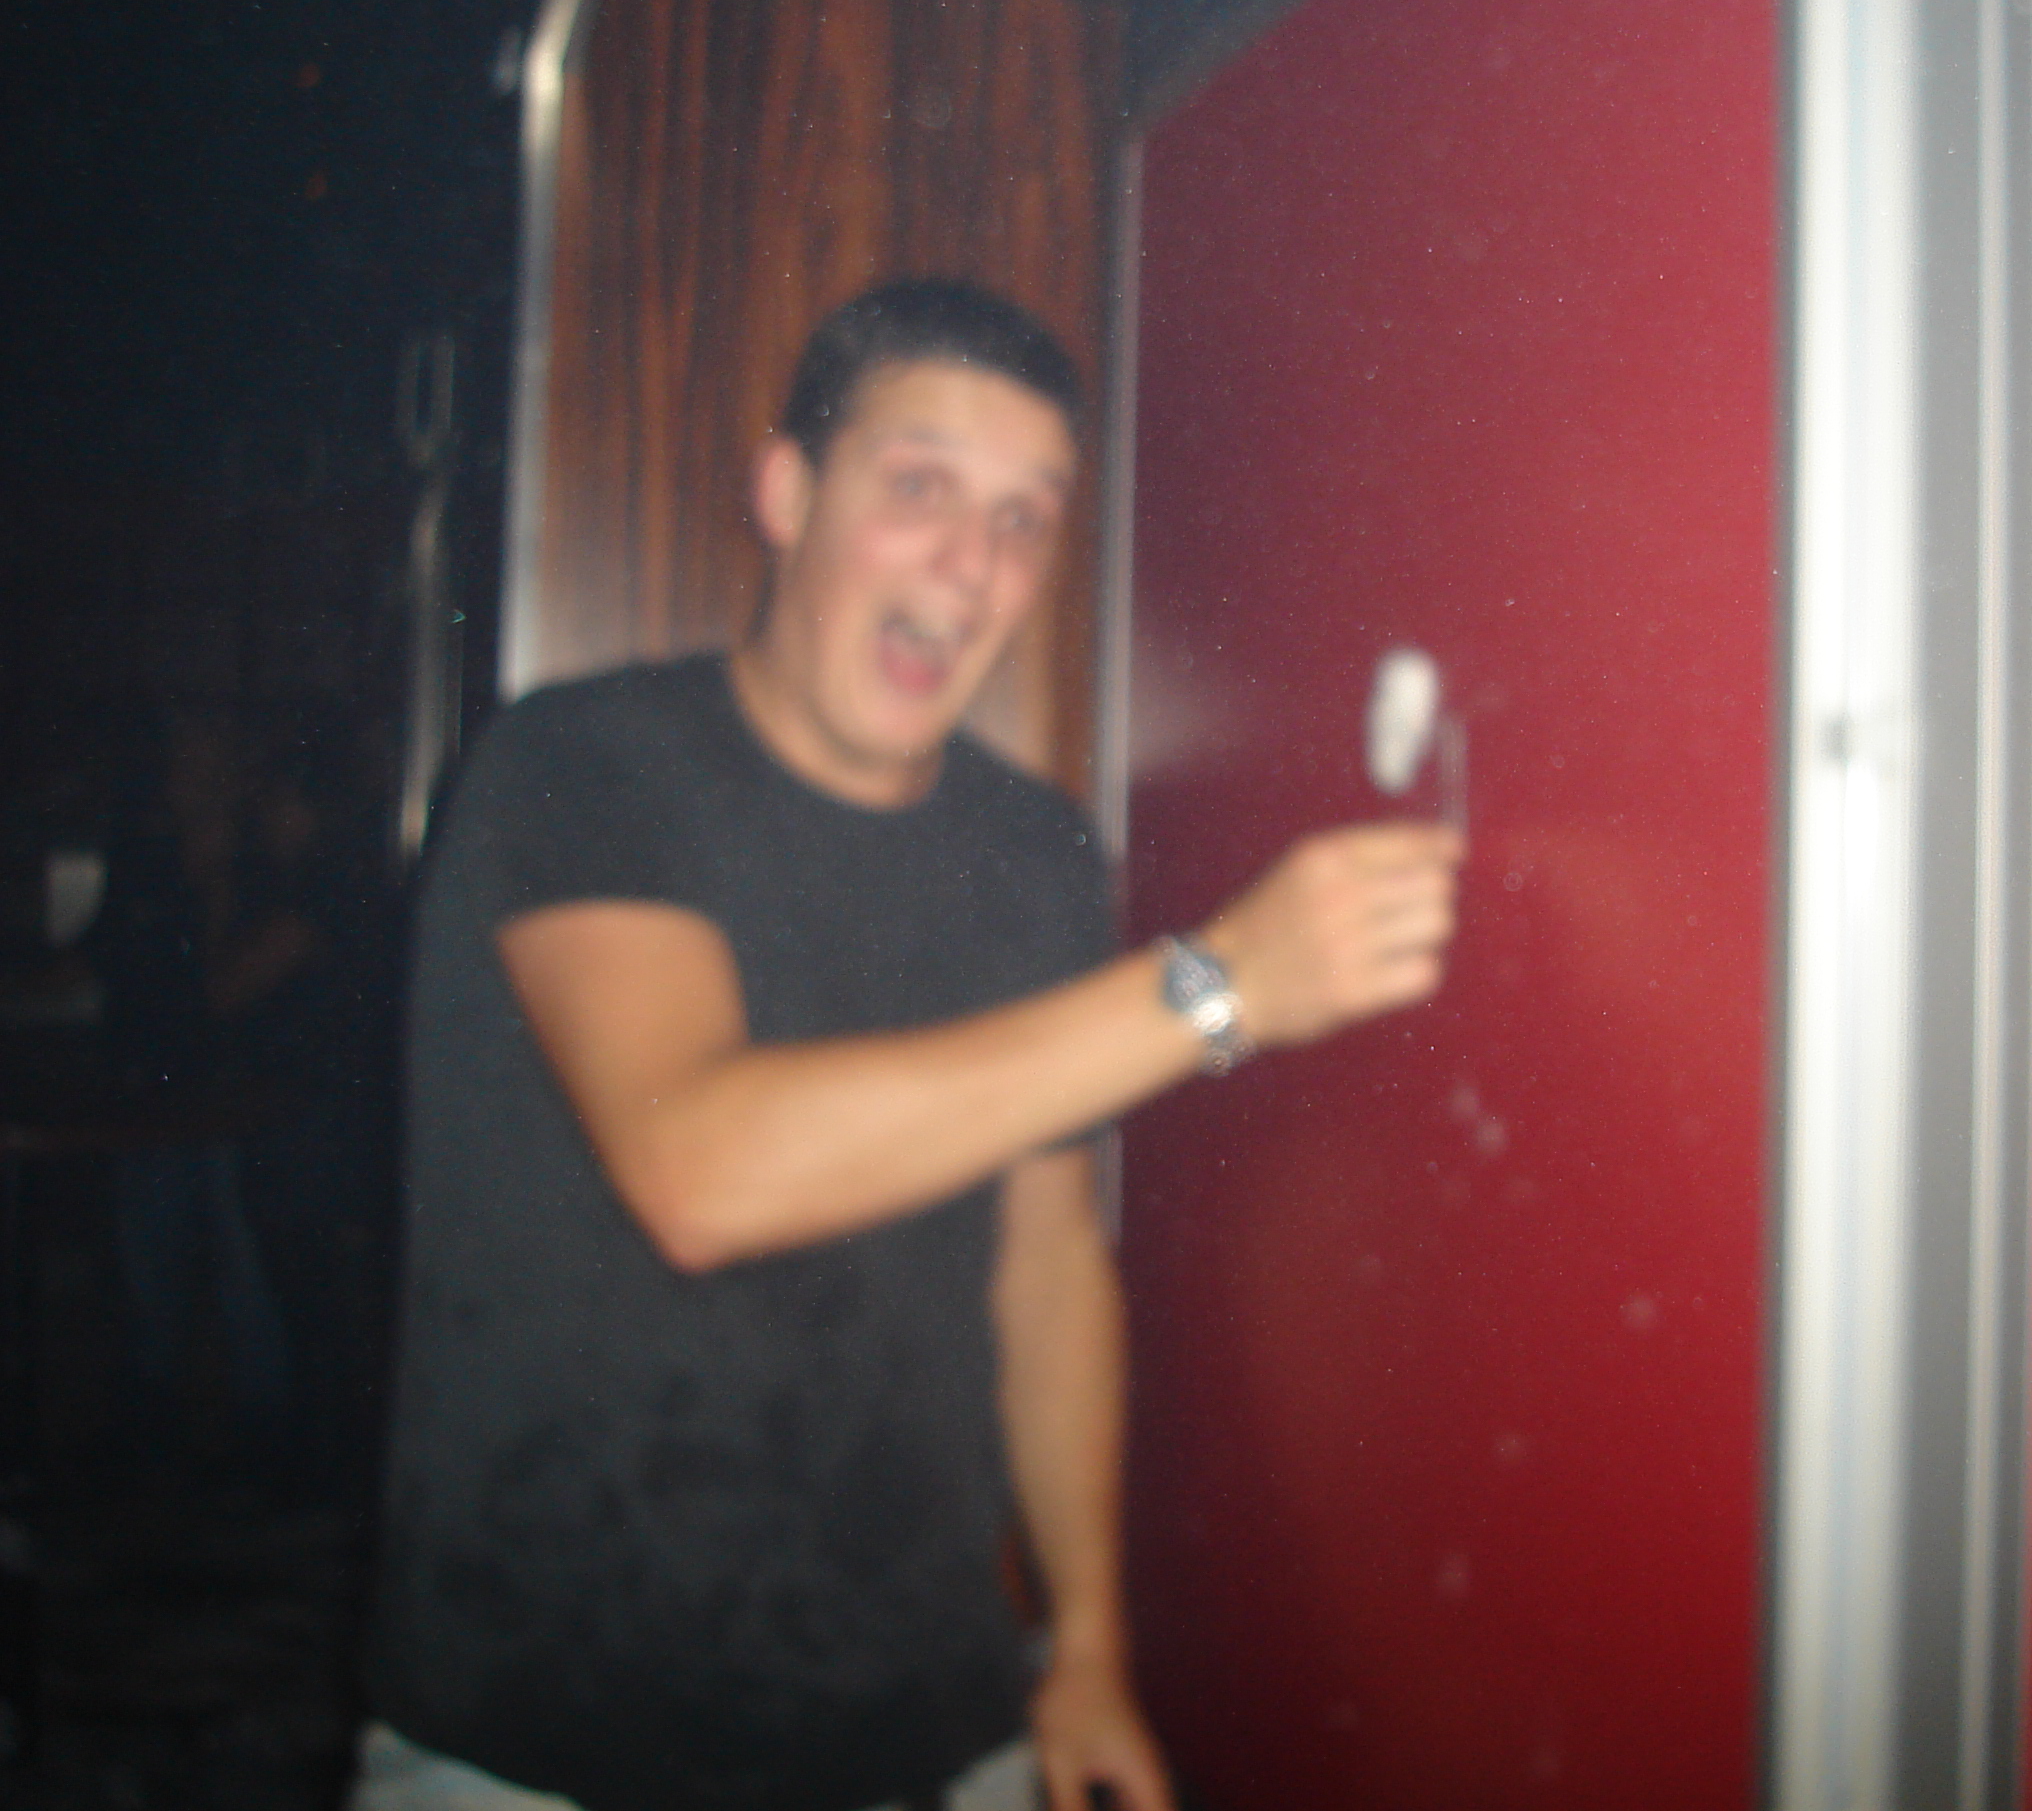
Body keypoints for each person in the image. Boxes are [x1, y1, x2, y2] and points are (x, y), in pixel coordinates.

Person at [358, 280, 1461, 1811]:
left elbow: (1047, 1270)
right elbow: (699, 1171)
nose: (971, 562)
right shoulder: (583, 763)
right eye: (920, 488)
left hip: (928, 1729)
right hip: (546, 1741)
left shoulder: (1033, 854)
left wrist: (1088, 1646)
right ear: (787, 495)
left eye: (1024, 518)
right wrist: (1214, 990)